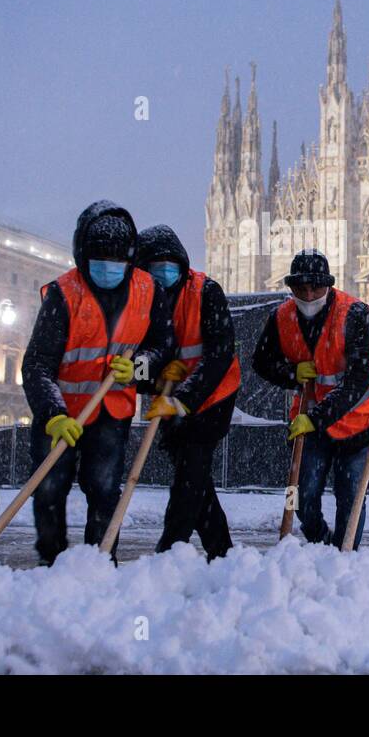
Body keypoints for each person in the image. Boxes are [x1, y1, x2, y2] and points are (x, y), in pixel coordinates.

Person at [21, 200, 171, 566]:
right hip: (61, 413)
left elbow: (162, 346)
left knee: (104, 489)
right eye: (101, 258)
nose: (110, 266)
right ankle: (52, 563)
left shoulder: (147, 290)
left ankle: (100, 563)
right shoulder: (63, 293)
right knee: (50, 488)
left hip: (110, 409)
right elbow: (37, 364)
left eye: (118, 258)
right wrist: (53, 412)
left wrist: (138, 367)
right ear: (82, 255)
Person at [253, 248, 369, 550]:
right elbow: (261, 362)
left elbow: (359, 378)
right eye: (301, 287)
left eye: (316, 286)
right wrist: (290, 373)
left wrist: (316, 417)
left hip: (356, 423)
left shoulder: (355, 313)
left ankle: (345, 556)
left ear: (329, 285)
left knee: (350, 496)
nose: (310, 294)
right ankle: (319, 540)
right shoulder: (281, 317)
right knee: (301, 493)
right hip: (309, 427)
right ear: (291, 288)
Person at [134, 224, 239, 561]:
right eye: (156, 264)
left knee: (190, 471)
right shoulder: (142, 300)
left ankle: (169, 550)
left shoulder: (205, 291)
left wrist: (184, 398)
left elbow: (220, 352)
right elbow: (140, 357)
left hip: (212, 397)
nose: (165, 270)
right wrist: (146, 377)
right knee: (194, 477)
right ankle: (222, 553)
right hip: (169, 398)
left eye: (170, 262)